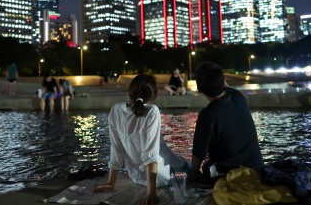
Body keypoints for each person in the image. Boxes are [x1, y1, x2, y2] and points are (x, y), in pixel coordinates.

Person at [93, 74, 188, 205]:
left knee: (181, 162)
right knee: (190, 167)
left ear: (130, 91)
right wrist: (151, 193)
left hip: (136, 177)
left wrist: (111, 182)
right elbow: (151, 154)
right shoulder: (152, 111)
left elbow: (116, 149)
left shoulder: (116, 110)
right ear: (153, 95)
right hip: (161, 176)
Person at [190, 62, 264, 184]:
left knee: (206, 167)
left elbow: (198, 154)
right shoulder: (237, 96)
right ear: (223, 81)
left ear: (199, 89)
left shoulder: (207, 115)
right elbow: (225, 86)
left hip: (235, 176)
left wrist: (194, 173)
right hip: (257, 169)